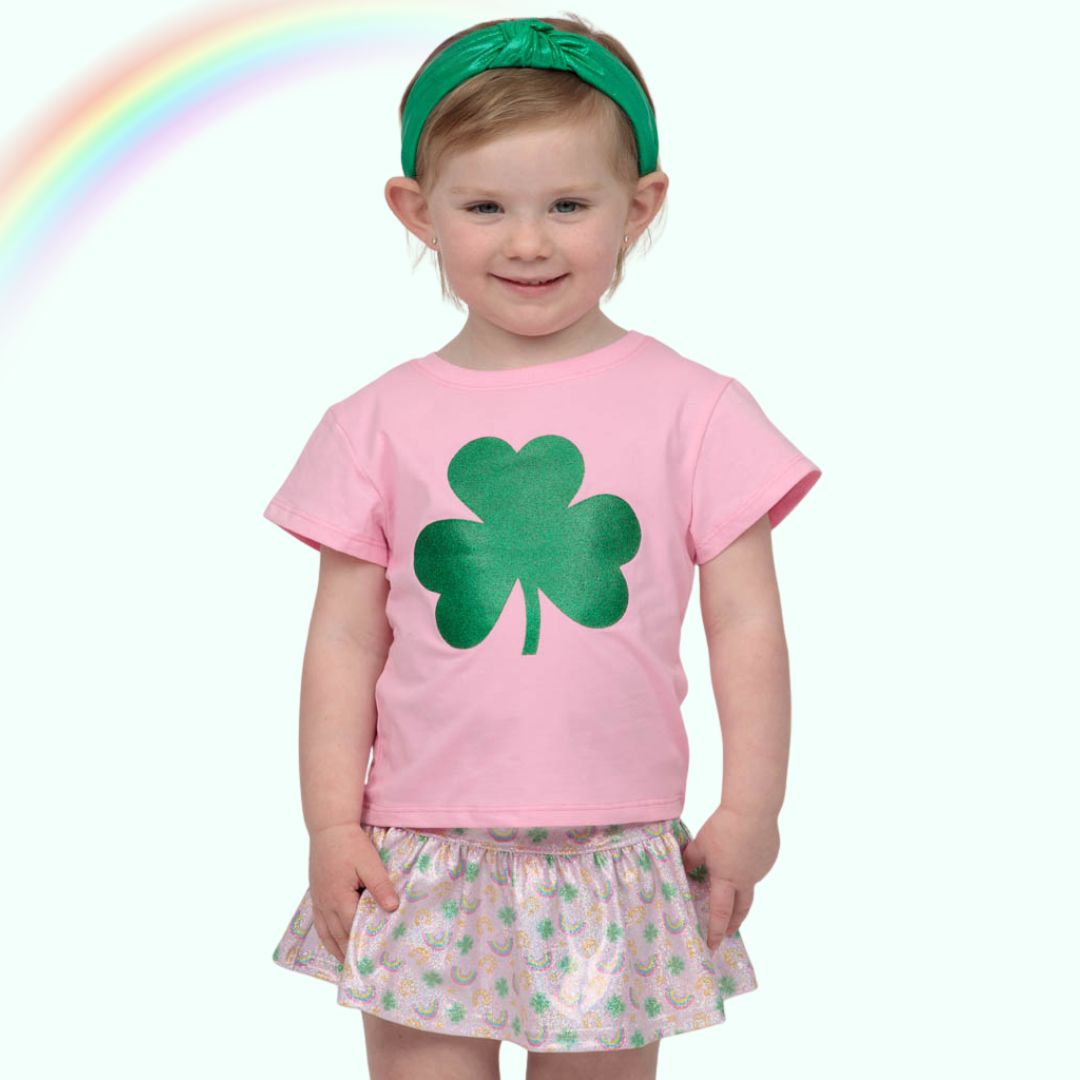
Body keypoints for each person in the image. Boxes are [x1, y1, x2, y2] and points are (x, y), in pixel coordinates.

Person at [266, 14, 822, 1079]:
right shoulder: (374, 422)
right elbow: (343, 642)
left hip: (617, 845)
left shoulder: (697, 409)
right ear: (418, 211)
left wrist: (754, 806)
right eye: (486, 207)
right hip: (422, 848)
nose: (529, 243)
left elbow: (747, 623)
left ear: (638, 206)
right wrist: (331, 824)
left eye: (569, 204)